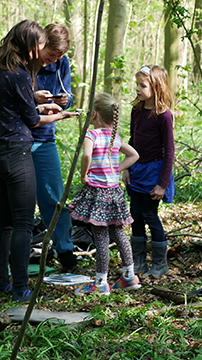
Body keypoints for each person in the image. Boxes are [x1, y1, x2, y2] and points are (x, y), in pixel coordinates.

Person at [0, 20, 71, 302]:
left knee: (4, 223)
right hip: (17, 153)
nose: (43, 51)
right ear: (30, 46)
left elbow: (12, 107)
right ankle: (20, 287)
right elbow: (31, 121)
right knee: (22, 223)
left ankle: (1, 284)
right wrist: (60, 115)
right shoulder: (19, 75)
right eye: (41, 45)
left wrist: (38, 103)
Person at [68, 93, 140, 295]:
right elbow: (135, 155)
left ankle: (100, 283)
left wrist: (84, 175)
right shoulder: (115, 137)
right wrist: (116, 170)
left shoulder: (92, 135)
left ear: (95, 115)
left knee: (100, 237)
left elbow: (87, 155)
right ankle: (129, 276)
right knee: (119, 233)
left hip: (98, 193)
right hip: (114, 192)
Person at [30, 23, 79, 271]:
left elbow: (68, 94)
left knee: (54, 197)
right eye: (51, 54)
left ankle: (65, 250)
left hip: (46, 137)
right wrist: (34, 96)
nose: (53, 60)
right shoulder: (25, 61)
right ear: (40, 45)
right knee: (22, 199)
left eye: (58, 56)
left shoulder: (62, 63)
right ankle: (21, 251)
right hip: (21, 138)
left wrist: (64, 99)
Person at [124, 65, 175, 279]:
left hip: (155, 171)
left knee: (149, 215)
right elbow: (131, 141)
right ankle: (139, 262)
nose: (137, 89)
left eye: (142, 85)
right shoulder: (136, 110)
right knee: (135, 215)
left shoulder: (164, 116)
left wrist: (162, 183)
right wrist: (125, 167)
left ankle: (160, 263)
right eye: (137, 84)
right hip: (136, 169)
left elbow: (170, 151)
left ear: (156, 87)